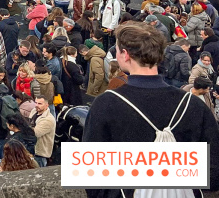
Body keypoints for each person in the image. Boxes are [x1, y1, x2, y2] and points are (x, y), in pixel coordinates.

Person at [83, 22, 219, 197]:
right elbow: (214, 171)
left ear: (125, 55)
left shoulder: (106, 104)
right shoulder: (193, 104)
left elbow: (91, 173)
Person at [28, 96, 55, 167]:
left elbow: (35, 133)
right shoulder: (34, 111)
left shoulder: (48, 119)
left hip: (40, 154)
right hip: (31, 150)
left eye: (40, 103)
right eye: (36, 103)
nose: (36, 105)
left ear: (46, 105)